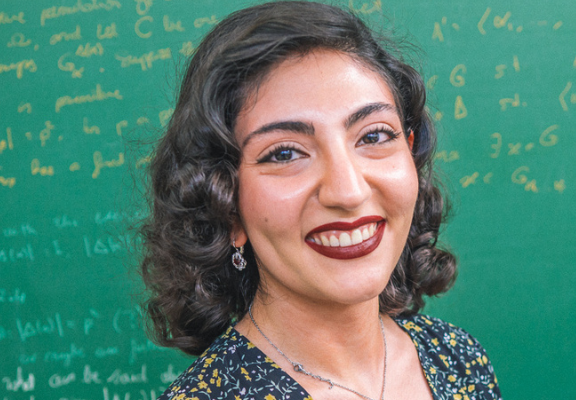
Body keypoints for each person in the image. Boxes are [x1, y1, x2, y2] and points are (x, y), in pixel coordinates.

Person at [139, 2, 502, 399]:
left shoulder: (458, 360)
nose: (348, 192)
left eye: (373, 136)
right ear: (226, 206)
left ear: (411, 156)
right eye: (284, 153)